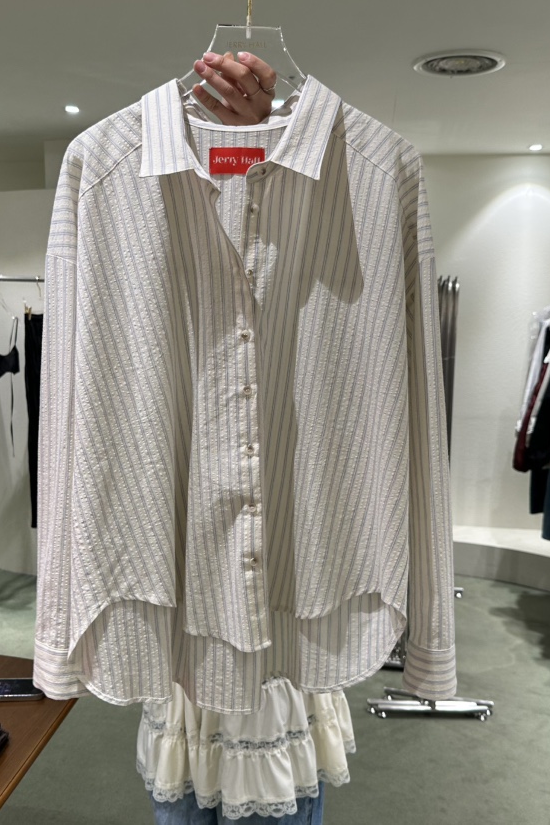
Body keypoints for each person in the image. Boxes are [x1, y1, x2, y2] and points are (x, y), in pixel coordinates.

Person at [138, 53, 354, 825]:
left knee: (275, 768)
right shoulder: (145, 193)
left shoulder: (333, 191)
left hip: (287, 563)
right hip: (194, 568)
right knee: (195, 770)